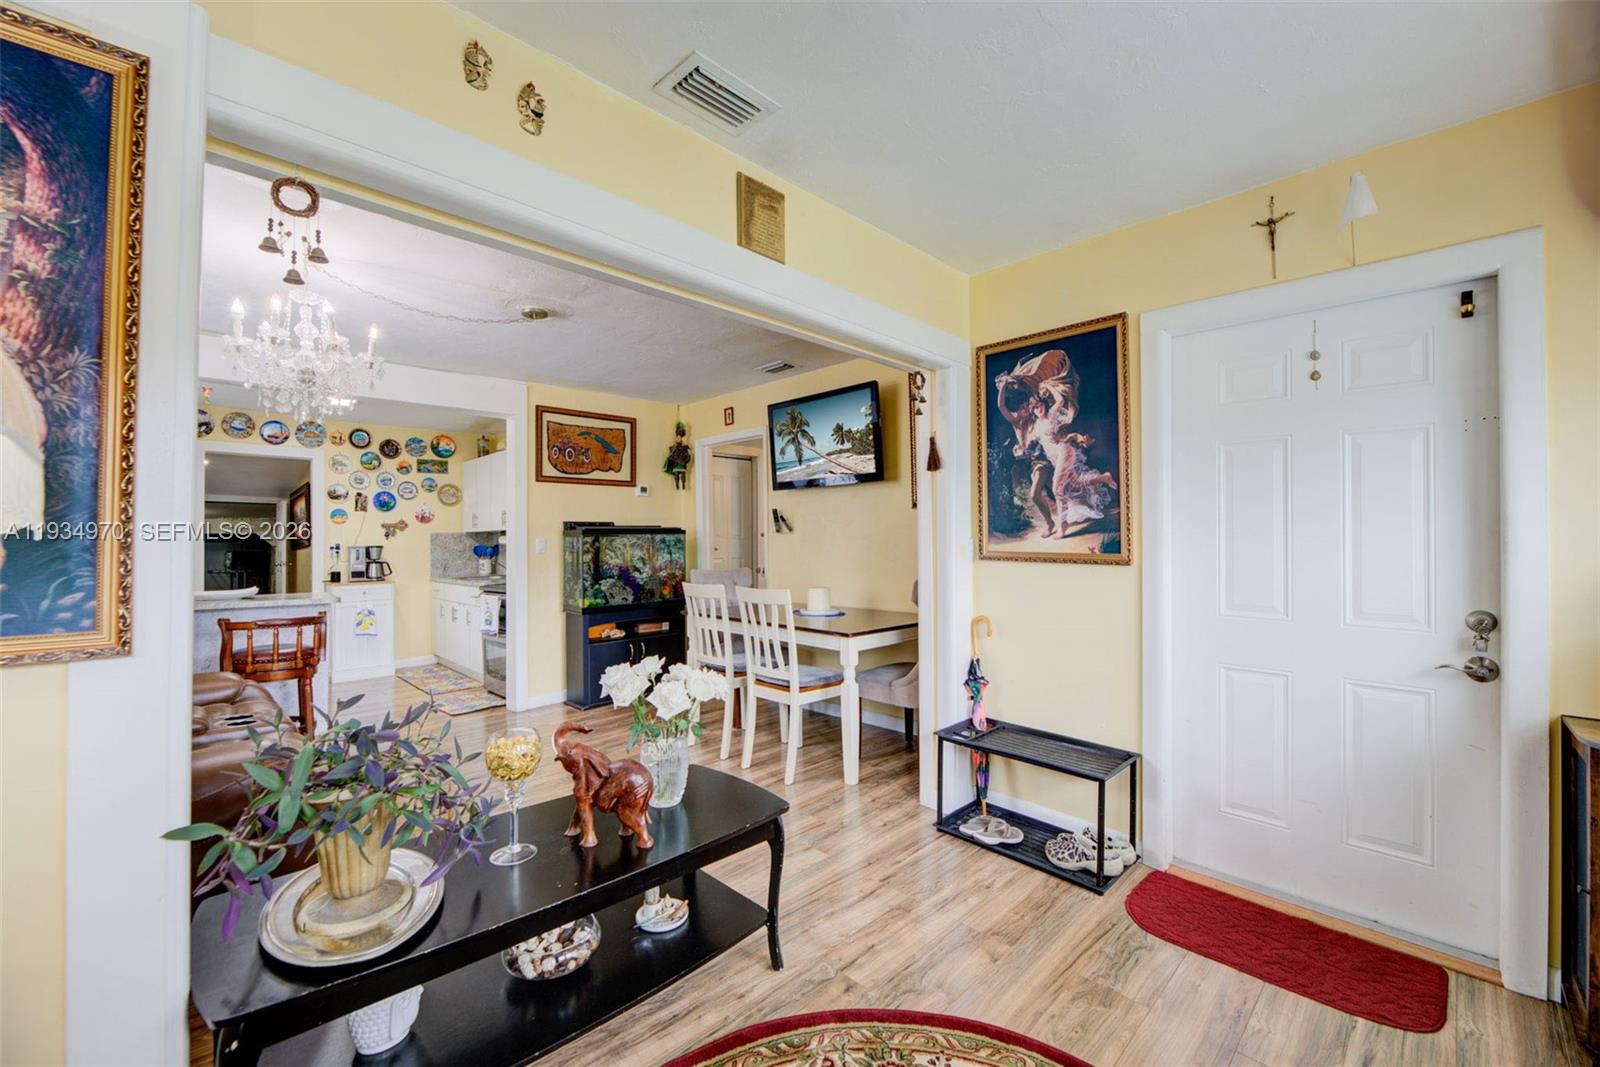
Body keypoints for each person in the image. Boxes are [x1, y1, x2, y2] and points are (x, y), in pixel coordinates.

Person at [663, 421, 691, 489]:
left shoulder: (685, 447)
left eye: (679, 438)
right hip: (676, 463)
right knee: (676, 474)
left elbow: (687, 455)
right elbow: (671, 454)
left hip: (682, 462)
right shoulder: (673, 448)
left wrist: (685, 460)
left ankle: (684, 484)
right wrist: (669, 458)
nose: (678, 439)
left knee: (683, 473)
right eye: (677, 438)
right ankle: (677, 485)